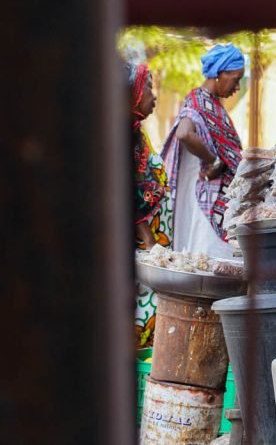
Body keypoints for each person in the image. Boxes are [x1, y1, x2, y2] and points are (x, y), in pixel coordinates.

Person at [162, 44, 245, 258]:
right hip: (206, 199)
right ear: (220, 73)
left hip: (216, 197)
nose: (237, 87)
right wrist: (214, 161)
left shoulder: (211, 103)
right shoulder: (197, 102)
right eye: (236, 79)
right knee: (210, 261)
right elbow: (184, 133)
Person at [127, 62, 172, 348]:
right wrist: (148, 239)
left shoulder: (135, 133)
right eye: (149, 87)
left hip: (151, 245)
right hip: (142, 246)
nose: (154, 96)